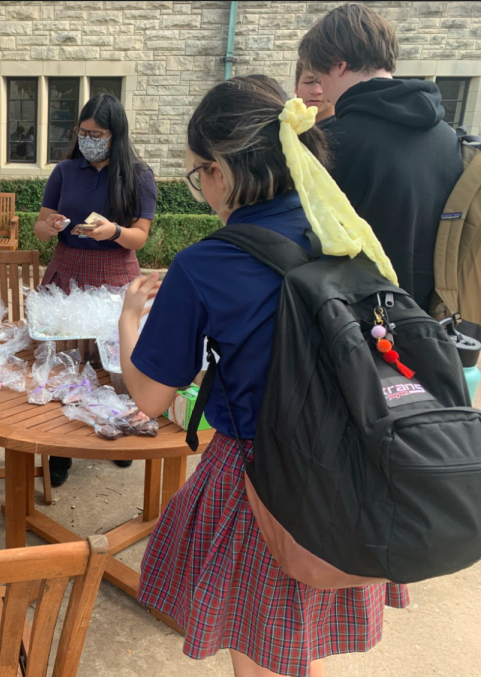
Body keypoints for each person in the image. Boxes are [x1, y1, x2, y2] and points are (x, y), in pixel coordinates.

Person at [118, 74, 408, 677]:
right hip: (354, 469)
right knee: (294, 649)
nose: (200, 187)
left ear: (221, 168)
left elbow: (148, 399)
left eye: (198, 172)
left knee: (260, 656)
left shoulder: (206, 263)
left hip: (261, 482)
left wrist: (130, 318)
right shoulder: (341, 231)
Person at [298, 3, 462, 311]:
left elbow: (302, 244)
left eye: (320, 76)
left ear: (339, 65)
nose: (322, 90)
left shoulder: (335, 141)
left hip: (358, 330)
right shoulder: (445, 136)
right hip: (434, 327)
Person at [34, 93, 157, 487]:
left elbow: (140, 237)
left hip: (116, 273)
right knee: (65, 362)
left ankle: (116, 435)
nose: (89, 140)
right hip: (67, 267)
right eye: (83, 132)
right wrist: (51, 226)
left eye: (97, 134)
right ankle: (58, 449)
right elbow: (40, 225)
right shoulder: (65, 171)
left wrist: (113, 231)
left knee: (115, 364)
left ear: (115, 135)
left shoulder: (138, 175)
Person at [293, 59, 334, 125]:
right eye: (308, 82)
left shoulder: (351, 129)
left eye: (324, 82)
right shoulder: (282, 127)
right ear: (296, 88)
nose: (316, 91)